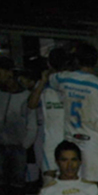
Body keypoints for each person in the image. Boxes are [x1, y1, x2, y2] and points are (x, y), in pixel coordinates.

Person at [47, 42, 98, 186]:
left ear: (76, 60)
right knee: (90, 190)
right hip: (93, 145)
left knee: (69, 187)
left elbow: (51, 76)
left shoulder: (63, 78)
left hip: (70, 144)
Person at [0, 56, 37, 195]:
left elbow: (31, 122)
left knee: (18, 188)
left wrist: (25, 144)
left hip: (17, 146)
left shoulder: (25, 96)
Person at [26, 47, 70, 181]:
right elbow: (32, 104)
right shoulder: (45, 84)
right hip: (49, 140)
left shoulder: (71, 83)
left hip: (69, 140)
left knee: (69, 181)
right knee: (50, 180)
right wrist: (42, 82)